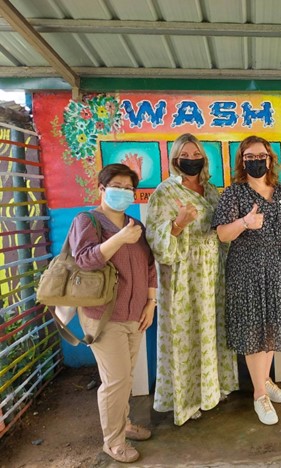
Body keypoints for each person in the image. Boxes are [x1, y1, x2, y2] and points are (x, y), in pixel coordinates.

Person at [212, 135, 281, 425]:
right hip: (247, 272)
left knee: (271, 327)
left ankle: (264, 381)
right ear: (242, 161)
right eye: (249, 156)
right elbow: (221, 234)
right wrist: (244, 223)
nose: (256, 161)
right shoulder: (234, 193)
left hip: (279, 269)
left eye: (260, 155)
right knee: (255, 329)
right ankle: (258, 395)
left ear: (270, 158)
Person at [146, 133, 238, 426]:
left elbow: (224, 233)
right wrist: (178, 224)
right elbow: (155, 241)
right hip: (183, 275)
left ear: (203, 158)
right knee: (185, 334)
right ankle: (186, 402)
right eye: (185, 153)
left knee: (212, 330)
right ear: (176, 160)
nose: (191, 158)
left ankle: (213, 390)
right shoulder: (165, 192)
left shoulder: (212, 191)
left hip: (213, 273)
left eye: (196, 153)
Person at [69, 163, 156, 463]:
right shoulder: (87, 220)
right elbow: (84, 261)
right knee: (116, 379)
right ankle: (114, 441)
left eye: (129, 188)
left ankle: (124, 424)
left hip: (135, 314)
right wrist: (118, 239)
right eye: (117, 186)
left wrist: (151, 303)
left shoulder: (135, 225)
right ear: (102, 189)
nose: (124, 192)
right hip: (103, 315)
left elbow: (149, 266)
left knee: (125, 376)